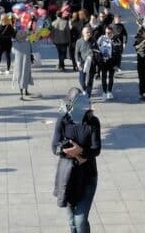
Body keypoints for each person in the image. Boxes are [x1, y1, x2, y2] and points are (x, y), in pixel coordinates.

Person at [52, 88, 101, 233]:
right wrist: (72, 152)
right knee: (72, 221)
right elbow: (55, 147)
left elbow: (96, 149)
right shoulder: (63, 120)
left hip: (87, 176)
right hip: (68, 176)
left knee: (80, 220)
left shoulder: (92, 122)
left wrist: (81, 151)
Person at [11, 29, 34, 100]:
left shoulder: (15, 44)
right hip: (27, 62)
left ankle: (21, 93)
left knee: (19, 76)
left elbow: (13, 52)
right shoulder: (28, 43)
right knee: (26, 75)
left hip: (18, 63)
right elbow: (30, 51)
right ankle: (26, 91)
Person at [75, 26, 97, 97]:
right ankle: (84, 90)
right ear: (83, 33)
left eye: (90, 32)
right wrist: (78, 61)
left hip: (91, 63)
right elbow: (77, 53)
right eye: (87, 32)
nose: (89, 33)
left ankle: (88, 95)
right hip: (82, 63)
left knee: (90, 80)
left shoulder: (93, 41)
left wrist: (93, 53)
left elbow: (97, 50)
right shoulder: (79, 41)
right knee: (81, 80)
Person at [96, 26, 117, 100]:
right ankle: (104, 92)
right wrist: (99, 58)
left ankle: (109, 92)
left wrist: (117, 63)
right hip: (103, 61)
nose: (107, 34)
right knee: (104, 77)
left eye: (109, 33)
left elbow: (118, 51)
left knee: (111, 77)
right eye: (106, 33)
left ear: (112, 33)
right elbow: (96, 48)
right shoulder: (101, 38)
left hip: (112, 61)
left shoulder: (115, 39)